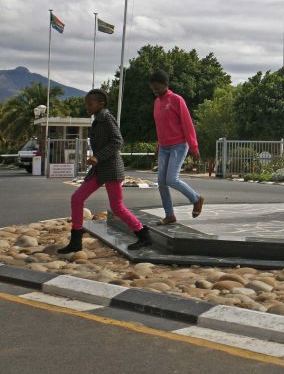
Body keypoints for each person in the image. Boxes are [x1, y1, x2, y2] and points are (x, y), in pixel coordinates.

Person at [58, 89, 151, 253]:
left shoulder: (107, 118)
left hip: (112, 169)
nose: (87, 107)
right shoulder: (97, 119)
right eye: (86, 104)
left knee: (117, 207)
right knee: (77, 198)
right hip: (99, 170)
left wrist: (98, 157)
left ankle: (143, 235)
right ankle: (76, 240)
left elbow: (117, 141)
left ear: (101, 103)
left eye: (90, 104)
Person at [149, 70, 204, 224]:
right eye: (153, 89)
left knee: (171, 179)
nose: (155, 91)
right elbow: (160, 126)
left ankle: (196, 199)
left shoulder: (176, 100)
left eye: (157, 88)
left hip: (179, 145)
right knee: (161, 182)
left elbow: (187, 124)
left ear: (165, 85)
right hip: (164, 147)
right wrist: (158, 144)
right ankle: (170, 215)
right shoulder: (157, 102)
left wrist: (194, 146)